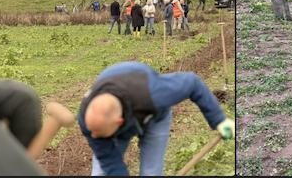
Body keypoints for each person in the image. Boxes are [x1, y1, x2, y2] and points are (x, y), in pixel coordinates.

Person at [79, 62, 234, 176]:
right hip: (117, 121)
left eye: (98, 134)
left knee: (151, 171)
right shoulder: (91, 123)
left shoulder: (155, 93)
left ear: (119, 122)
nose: (93, 137)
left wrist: (219, 120)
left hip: (154, 116)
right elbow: (111, 162)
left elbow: (192, 82)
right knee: (102, 172)